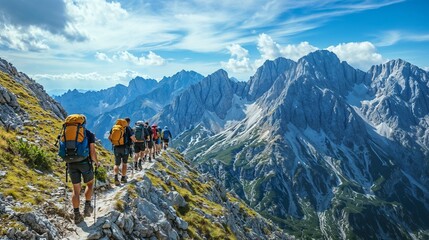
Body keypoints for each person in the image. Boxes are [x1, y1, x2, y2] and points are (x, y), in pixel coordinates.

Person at [66, 115, 100, 224]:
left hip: (70, 163)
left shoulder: (66, 132)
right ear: (83, 123)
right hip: (85, 162)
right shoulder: (88, 134)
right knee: (89, 184)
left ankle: (76, 214)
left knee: (75, 190)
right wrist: (96, 162)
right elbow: (92, 151)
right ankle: (87, 206)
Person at [110, 118, 136, 186]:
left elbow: (109, 138)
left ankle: (116, 177)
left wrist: (115, 143)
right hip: (125, 148)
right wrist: (134, 141)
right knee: (124, 163)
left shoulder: (114, 127)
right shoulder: (127, 128)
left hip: (116, 148)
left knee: (116, 164)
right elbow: (132, 138)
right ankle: (123, 178)